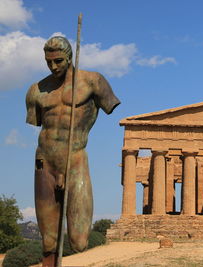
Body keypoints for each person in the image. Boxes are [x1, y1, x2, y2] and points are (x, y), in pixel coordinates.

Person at [26, 36, 120, 266]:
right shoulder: (36, 90)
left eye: (58, 61)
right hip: (44, 162)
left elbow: (110, 105)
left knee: (79, 241)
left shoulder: (93, 82)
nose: (53, 66)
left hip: (75, 159)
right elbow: (38, 123)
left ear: (69, 57)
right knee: (48, 241)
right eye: (49, 62)